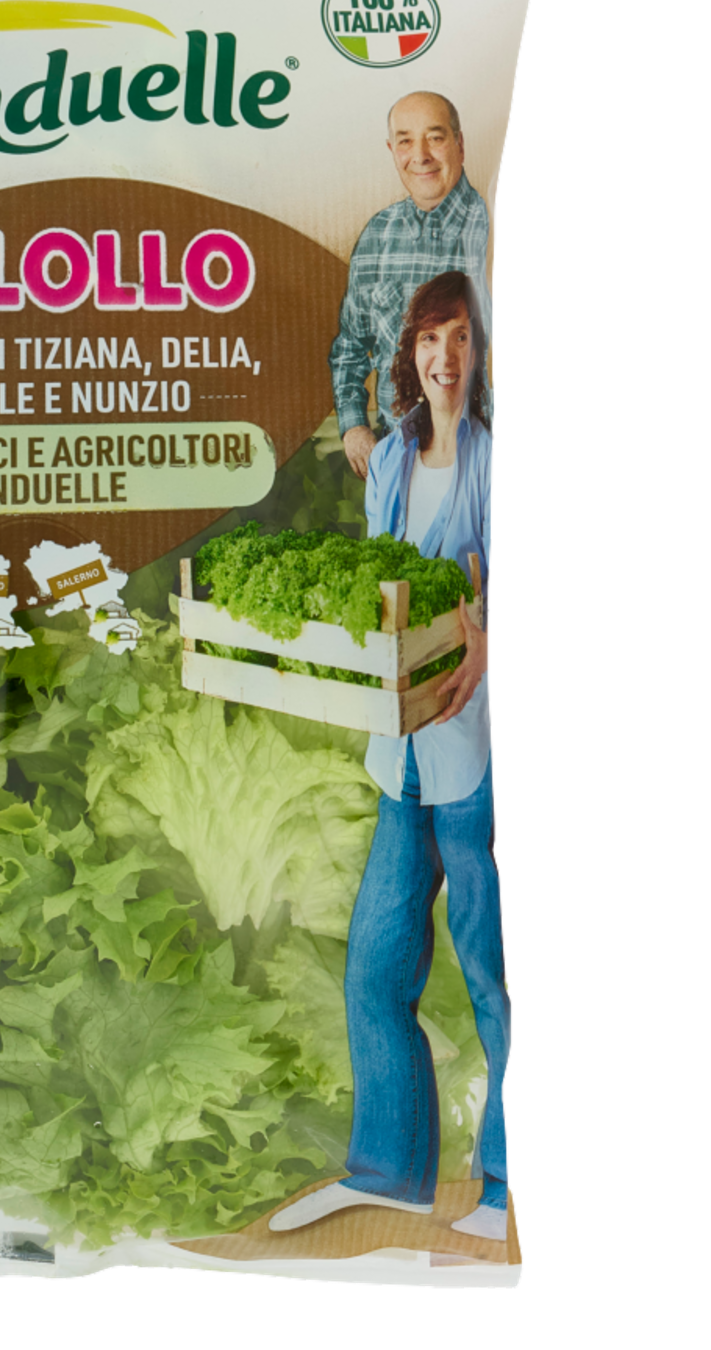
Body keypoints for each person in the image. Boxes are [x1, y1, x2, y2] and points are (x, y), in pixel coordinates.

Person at [271, 271, 503, 1242]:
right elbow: (380, 582)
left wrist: (482, 630)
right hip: (400, 763)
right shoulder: (398, 456)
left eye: (459, 337)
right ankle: (391, 1171)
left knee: (491, 981)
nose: (443, 356)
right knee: (374, 974)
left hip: (471, 768)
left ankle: (501, 1191)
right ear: (411, 352)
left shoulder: (489, 458)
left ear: (479, 351)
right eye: (428, 339)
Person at [329, 93, 490, 480]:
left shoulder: (489, 224)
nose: (420, 156)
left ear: (459, 143)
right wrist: (354, 427)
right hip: (396, 463)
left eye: (435, 138)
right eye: (405, 141)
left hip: (479, 465)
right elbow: (351, 346)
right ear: (391, 150)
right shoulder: (378, 234)